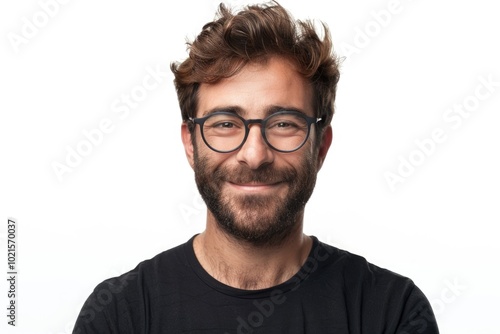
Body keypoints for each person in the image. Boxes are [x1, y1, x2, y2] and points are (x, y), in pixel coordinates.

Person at [73, 2, 439, 333]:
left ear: (321, 146)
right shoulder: (119, 315)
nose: (254, 155)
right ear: (190, 143)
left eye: (283, 124)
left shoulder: (391, 313)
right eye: (225, 123)